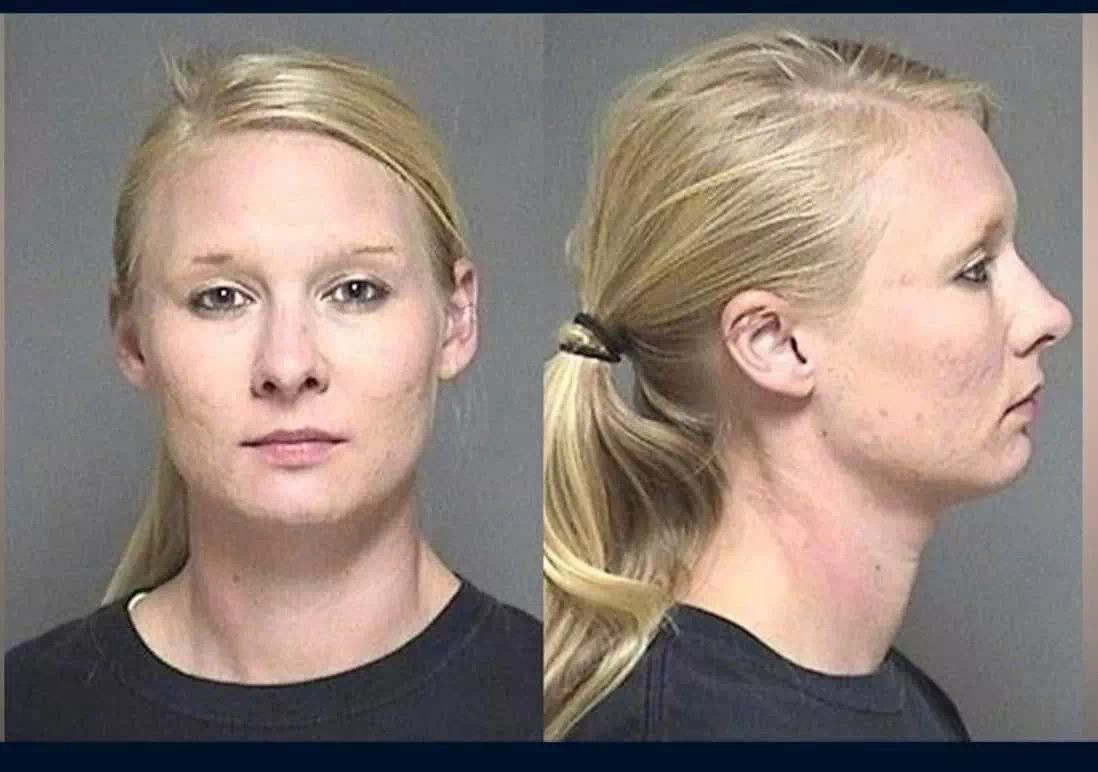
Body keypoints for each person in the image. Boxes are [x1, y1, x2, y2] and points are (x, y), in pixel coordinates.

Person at [543, 30, 1072, 741]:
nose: (1049, 315)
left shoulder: (908, 708)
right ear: (776, 343)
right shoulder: (672, 731)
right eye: (974, 270)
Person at [6, 47, 540, 741]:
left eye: (356, 290)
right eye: (220, 297)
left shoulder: (561, 708)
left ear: (457, 320)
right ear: (134, 340)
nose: (288, 367)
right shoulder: (24, 714)